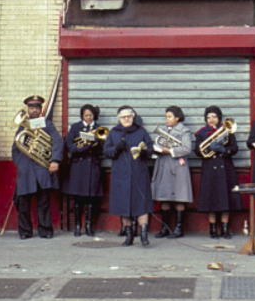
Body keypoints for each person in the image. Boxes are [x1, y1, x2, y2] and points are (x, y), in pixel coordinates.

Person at [13, 95, 63, 239]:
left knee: (43, 202)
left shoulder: (47, 124)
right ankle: (25, 232)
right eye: (31, 108)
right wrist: (21, 164)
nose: (34, 110)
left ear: (41, 110)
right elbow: (16, 147)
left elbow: (58, 143)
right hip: (27, 170)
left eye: (37, 108)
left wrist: (55, 160)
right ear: (28, 109)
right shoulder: (23, 126)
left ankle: (46, 230)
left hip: (42, 169)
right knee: (23, 203)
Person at [105, 106, 154, 246]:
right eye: (123, 117)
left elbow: (150, 148)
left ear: (133, 117)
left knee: (141, 204)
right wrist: (116, 148)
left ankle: (144, 235)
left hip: (140, 173)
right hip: (120, 175)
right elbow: (106, 151)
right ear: (119, 118)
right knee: (123, 206)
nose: (126, 119)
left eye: (129, 116)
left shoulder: (141, 131)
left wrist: (144, 151)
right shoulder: (114, 133)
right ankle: (129, 236)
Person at [194, 106, 238, 239]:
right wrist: (209, 148)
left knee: (225, 200)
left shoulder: (226, 131)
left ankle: (225, 229)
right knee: (210, 200)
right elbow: (197, 151)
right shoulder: (201, 133)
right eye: (208, 117)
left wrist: (222, 150)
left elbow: (235, 149)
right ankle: (212, 228)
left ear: (219, 118)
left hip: (225, 168)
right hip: (209, 169)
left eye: (213, 116)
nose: (211, 119)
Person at [151, 105, 193, 238]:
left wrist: (168, 150)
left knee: (179, 197)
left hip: (177, 167)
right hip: (163, 165)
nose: (167, 119)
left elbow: (187, 149)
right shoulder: (163, 130)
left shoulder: (184, 131)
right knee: (164, 198)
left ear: (177, 117)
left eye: (169, 117)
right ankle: (165, 228)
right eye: (166, 117)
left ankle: (178, 229)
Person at [65, 104, 105, 237]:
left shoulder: (99, 129)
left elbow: (104, 148)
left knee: (91, 198)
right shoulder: (75, 127)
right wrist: (79, 149)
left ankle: (88, 226)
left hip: (93, 165)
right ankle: (77, 226)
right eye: (86, 115)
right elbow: (69, 143)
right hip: (78, 166)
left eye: (91, 115)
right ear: (82, 115)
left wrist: (96, 143)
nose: (88, 118)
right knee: (78, 198)